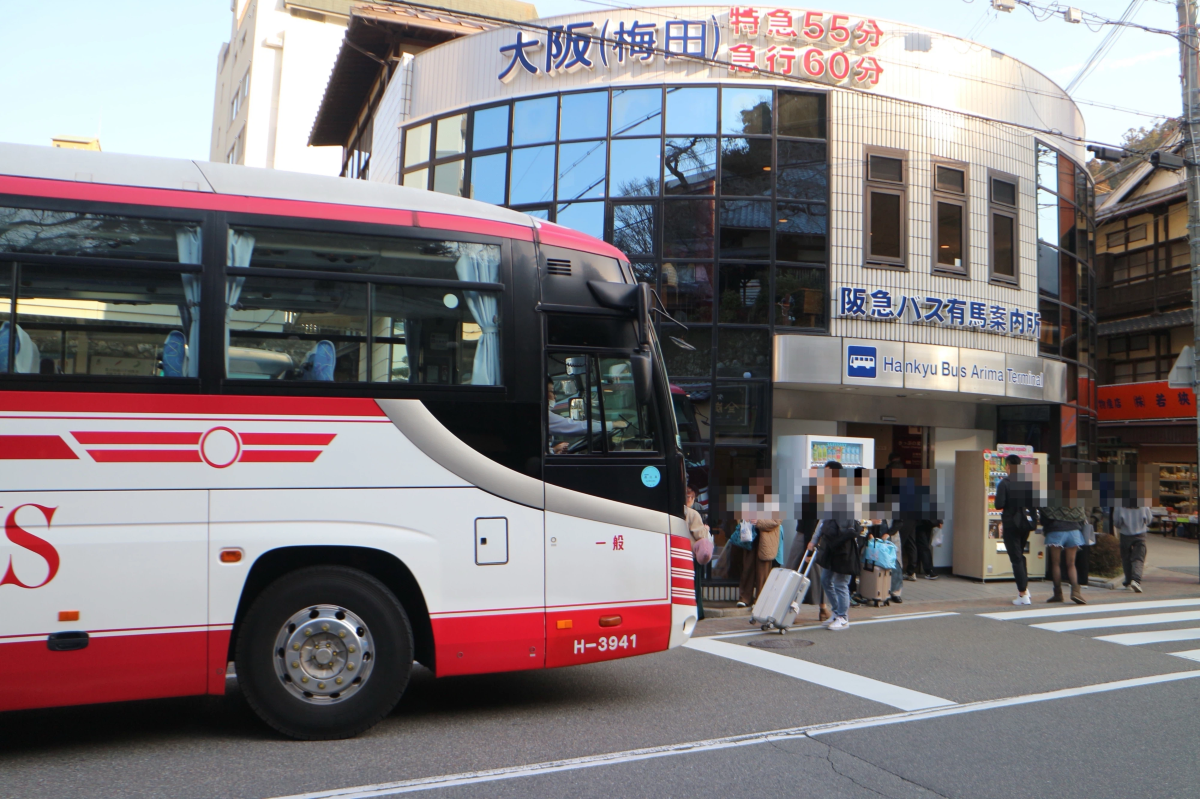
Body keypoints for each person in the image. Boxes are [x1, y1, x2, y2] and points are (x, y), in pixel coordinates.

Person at [808, 461, 860, 631]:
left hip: (844, 545)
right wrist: (814, 540)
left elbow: (852, 522)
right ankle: (837, 612)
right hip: (830, 544)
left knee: (840, 582)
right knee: (825, 579)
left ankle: (843, 617)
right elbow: (822, 521)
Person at [1040, 467, 1089, 605]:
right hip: (1074, 532)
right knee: (1071, 564)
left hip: (1056, 531)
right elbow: (1082, 515)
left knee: (1056, 563)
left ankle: (1058, 593)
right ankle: (1076, 591)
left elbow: (1044, 510)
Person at [995, 454, 1035, 605]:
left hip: (1011, 523)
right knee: (1021, 555)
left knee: (1016, 558)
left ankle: (1022, 594)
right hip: (1026, 524)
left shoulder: (1004, 483)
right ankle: (1025, 588)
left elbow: (999, 504)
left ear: (1008, 466)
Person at [547, 378, 624, 453]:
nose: (555, 396)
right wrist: (612, 424)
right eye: (552, 391)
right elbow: (577, 427)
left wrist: (554, 450)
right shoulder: (543, 416)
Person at [1114, 497, 1151, 593]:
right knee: (1138, 558)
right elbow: (1149, 519)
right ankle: (1136, 580)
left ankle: (1128, 581)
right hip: (1140, 534)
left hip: (1125, 534)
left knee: (1126, 558)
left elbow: (1117, 522)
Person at [684, 485, 710, 619]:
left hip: (678, 554)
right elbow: (700, 534)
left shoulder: (675, 512)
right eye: (691, 497)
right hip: (692, 555)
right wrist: (706, 529)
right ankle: (697, 612)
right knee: (695, 585)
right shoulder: (693, 514)